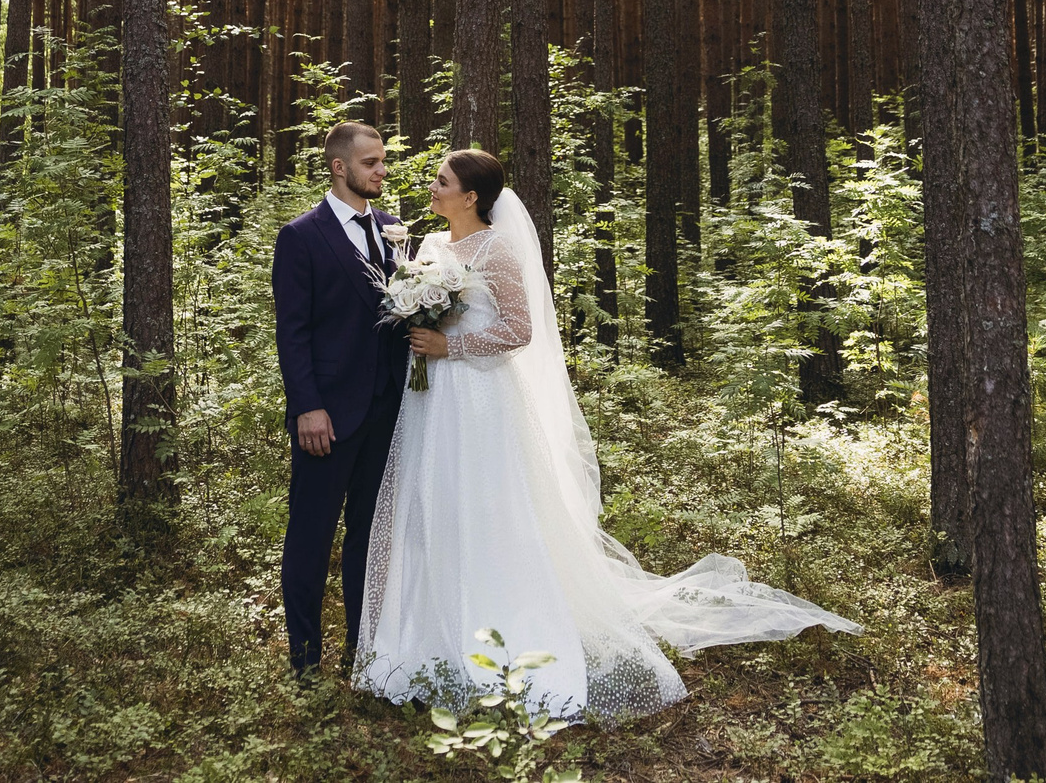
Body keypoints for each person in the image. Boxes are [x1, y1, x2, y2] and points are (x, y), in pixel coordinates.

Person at [354, 149, 860, 722]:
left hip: (482, 398)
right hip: (435, 399)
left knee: (489, 507)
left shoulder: (497, 250)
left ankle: (501, 631)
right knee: (434, 505)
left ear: (470, 197)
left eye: (442, 182)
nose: (432, 187)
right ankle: (428, 633)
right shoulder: (431, 247)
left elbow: (519, 329)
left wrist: (454, 345)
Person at [272, 121, 407, 677]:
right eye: (371, 162)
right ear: (340, 167)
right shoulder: (301, 236)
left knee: (370, 539)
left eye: (381, 162)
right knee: (310, 538)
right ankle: (304, 659)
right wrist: (308, 406)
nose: (381, 171)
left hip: (388, 412)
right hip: (327, 416)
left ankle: (362, 652)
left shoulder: (395, 229)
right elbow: (293, 331)